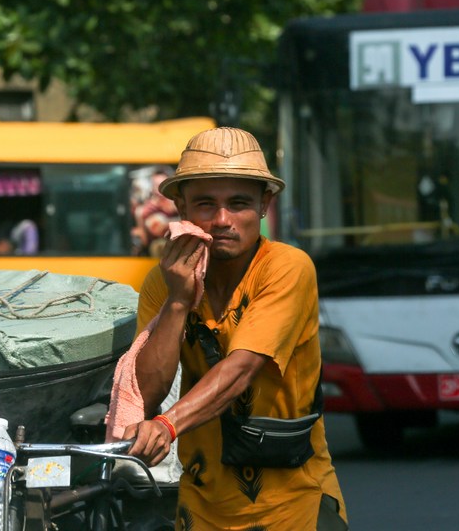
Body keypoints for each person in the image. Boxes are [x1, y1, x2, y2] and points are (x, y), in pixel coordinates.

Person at [124, 126, 348, 530]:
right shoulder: (164, 281)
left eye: (239, 203)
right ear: (181, 207)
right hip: (202, 505)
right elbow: (148, 392)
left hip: (291, 504)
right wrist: (178, 300)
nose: (222, 220)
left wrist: (167, 425)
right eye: (206, 204)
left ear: (265, 205)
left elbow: (242, 367)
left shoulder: (287, 267)